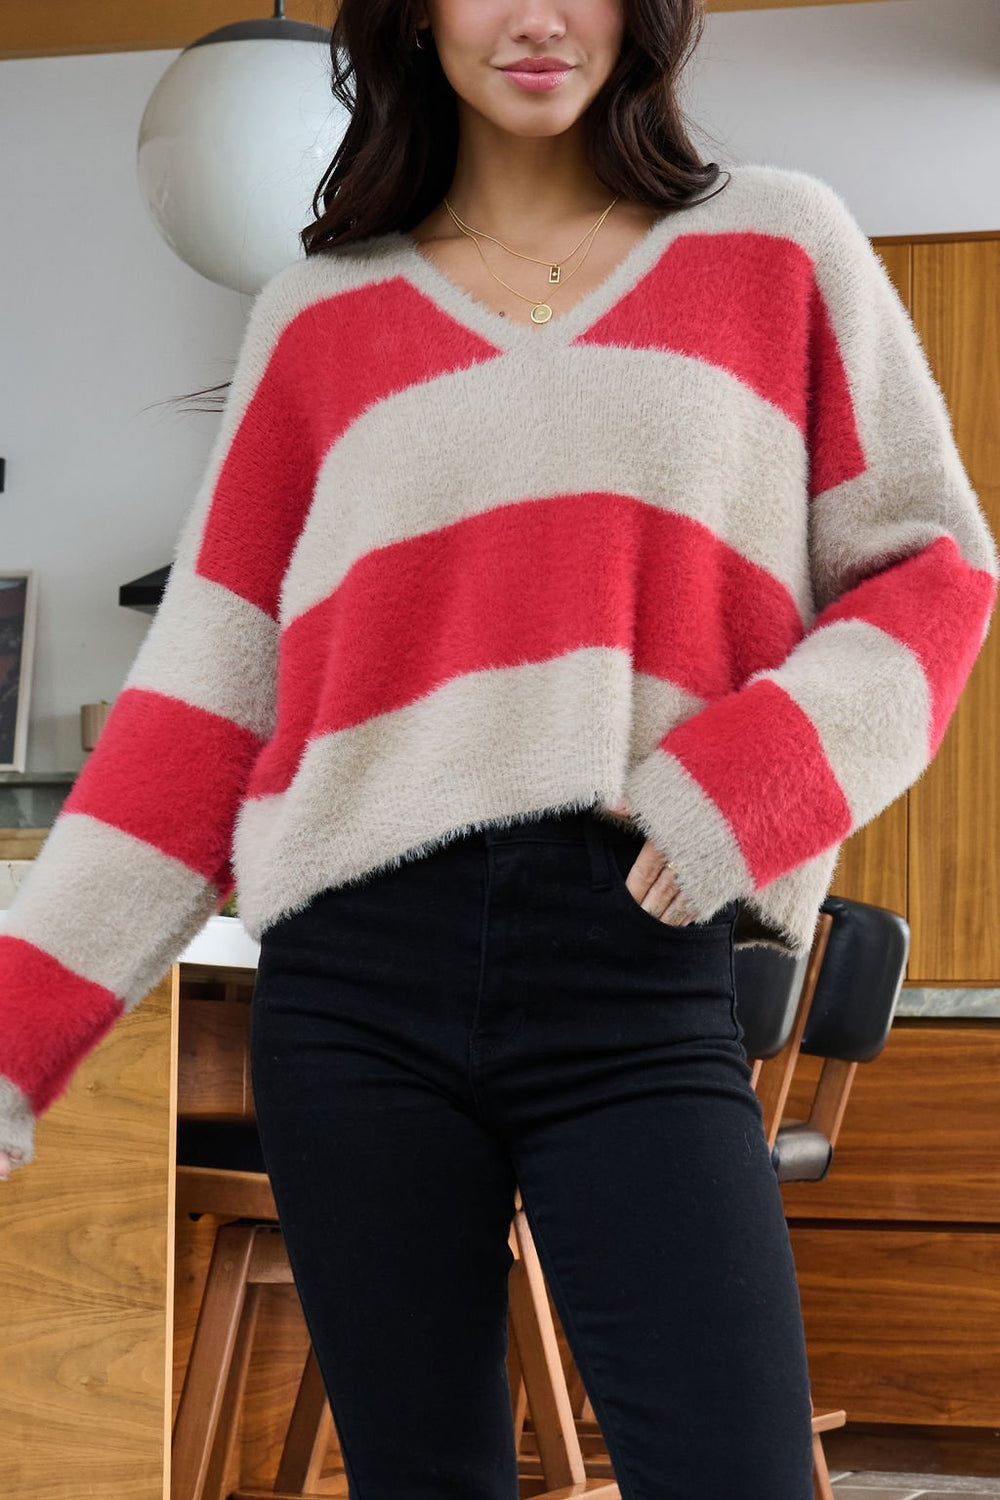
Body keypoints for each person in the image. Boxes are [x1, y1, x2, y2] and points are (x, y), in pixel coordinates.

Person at [2, 0, 997, 1495]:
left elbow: (933, 571)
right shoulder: (315, 315)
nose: (537, 15)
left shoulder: (780, 248)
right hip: (352, 986)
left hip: (635, 958)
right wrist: (14, 1041)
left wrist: (752, 783)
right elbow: (200, 714)